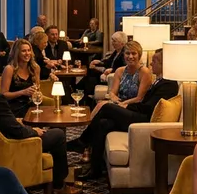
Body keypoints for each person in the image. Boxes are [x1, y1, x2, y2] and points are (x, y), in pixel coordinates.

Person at [0, 50, 80, 194]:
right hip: (2, 148)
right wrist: (34, 131)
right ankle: (58, 186)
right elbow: (17, 132)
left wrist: (16, 122)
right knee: (57, 134)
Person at [69, 49, 180, 178]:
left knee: (107, 107)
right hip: (140, 114)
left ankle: (82, 141)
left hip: (144, 121)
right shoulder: (160, 80)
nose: (151, 64)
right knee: (103, 123)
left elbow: (148, 107)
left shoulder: (169, 84)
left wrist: (127, 106)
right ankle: (95, 169)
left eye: (154, 61)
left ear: (163, 64)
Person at [90, 39, 152, 123]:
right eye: (127, 53)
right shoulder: (119, 71)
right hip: (119, 104)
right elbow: (112, 92)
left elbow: (139, 98)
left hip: (133, 107)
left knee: (102, 106)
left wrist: (123, 103)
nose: (130, 56)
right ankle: (89, 127)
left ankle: (87, 128)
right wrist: (114, 99)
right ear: (123, 55)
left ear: (139, 55)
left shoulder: (144, 72)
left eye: (134, 53)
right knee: (102, 114)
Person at [0, 38, 40, 119]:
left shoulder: (35, 68)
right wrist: (23, 92)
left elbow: (38, 90)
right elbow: (4, 94)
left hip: (31, 105)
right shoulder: (9, 69)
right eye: (23, 51)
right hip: (14, 107)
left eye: (29, 50)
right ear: (17, 53)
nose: (27, 53)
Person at [81, 30, 127, 99]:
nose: (112, 43)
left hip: (114, 76)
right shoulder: (116, 51)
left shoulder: (124, 53)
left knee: (91, 77)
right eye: (112, 40)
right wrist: (99, 62)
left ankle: (84, 94)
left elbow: (124, 67)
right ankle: (84, 92)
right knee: (90, 70)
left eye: (114, 41)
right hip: (107, 71)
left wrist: (112, 70)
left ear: (122, 43)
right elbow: (108, 61)